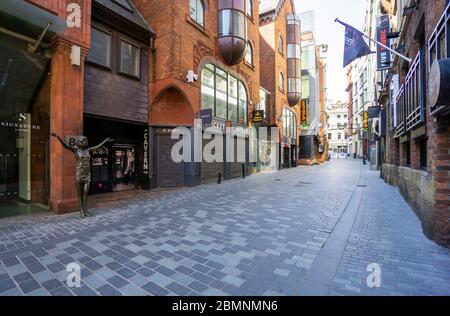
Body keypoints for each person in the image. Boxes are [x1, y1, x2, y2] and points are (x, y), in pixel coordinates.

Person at [51, 133, 113, 218]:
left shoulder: (88, 150)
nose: (85, 141)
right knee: (80, 193)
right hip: (79, 174)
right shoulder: (75, 150)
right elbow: (65, 146)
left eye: (86, 140)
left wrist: (105, 140)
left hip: (87, 174)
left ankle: (86, 210)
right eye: (83, 140)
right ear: (78, 142)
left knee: (86, 192)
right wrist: (58, 137)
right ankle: (81, 210)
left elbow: (97, 146)